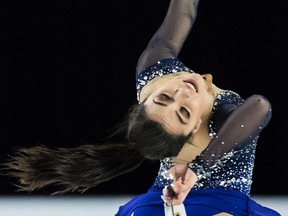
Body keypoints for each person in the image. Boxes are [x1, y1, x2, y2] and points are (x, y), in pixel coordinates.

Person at [2, 0, 281, 215]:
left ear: (144, 97)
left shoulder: (154, 69)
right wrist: (198, 168)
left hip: (191, 199)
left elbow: (184, 10)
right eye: (184, 112)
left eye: (164, 99)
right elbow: (260, 106)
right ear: (196, 127)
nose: (181, 92)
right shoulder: (221, 118)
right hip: (196, 197)